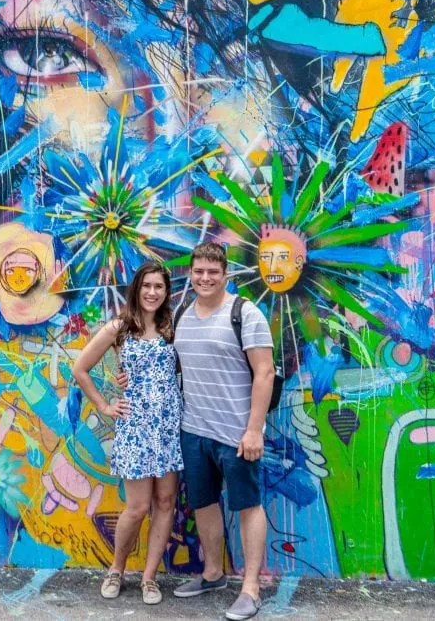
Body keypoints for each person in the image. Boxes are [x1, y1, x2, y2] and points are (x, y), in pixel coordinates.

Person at [169, 241, 276, 621]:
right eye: (198, 271)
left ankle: (250, 588)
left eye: (213, 272)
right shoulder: (182, 314)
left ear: (225, 274)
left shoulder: (245, 314)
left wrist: (254, 430)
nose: (205, 278)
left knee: (247, 505)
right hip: (194, 430)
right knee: (204, 504)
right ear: (191, 273)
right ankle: (213, 573)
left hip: (236, 434)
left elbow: (265, 373)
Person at [71, 261, 184, 605]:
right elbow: (80, 368)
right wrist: (105, 406)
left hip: (167, 426)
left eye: (159, 287)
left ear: (166, 292)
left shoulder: (172, 327)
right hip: (135, 428)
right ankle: (116, 569)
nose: (152, 292)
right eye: (147, 285)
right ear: (137, 288)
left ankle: (149, 578)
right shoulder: (121, 327)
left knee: (165, 502)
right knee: (136, 507)